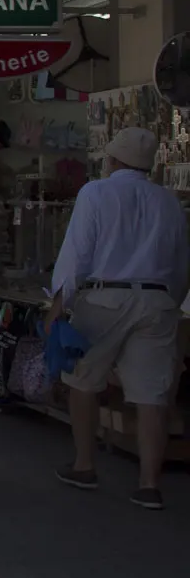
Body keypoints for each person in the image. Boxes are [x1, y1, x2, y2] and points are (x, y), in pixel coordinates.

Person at [48, 127, 190, 509]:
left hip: (105, 296)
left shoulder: (96, 192)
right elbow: (180, 262)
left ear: (112, 160)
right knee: (151, 396)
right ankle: (148, 484)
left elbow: (78, 251)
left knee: (84, 381)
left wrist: (60, 301)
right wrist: (171, 302)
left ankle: (84, 464)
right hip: (157, 301)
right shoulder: (169, 202)